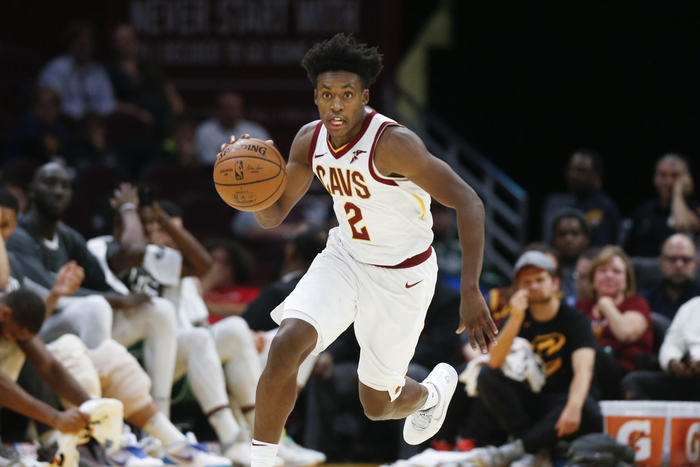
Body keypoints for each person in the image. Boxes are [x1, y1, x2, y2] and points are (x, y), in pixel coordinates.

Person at [220, 34, 495, 467]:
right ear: (315, 97)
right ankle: (263, 462)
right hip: (345, 258)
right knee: (286, 344)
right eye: (326, 94)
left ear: (364, 97)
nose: (336, 105)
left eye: (346, 94)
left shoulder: (394, 143)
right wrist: (248, 191)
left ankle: (431, 394)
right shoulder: (308, 141)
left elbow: (469, 202)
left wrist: (471, 289)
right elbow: (273, 216)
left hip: (402, 275)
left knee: (377, 404)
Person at [87, 192, 257, 464]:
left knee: (204, 335)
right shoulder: (99, 246)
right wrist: (129, 208)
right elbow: (129, 254)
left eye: (155, 225)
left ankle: (234, 438)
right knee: (160, 310)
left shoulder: (155, 256)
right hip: (107, 347)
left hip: (153, 353)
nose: (152, 230)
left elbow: (203, 264)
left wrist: (166, 221)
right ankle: (161, 434)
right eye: (146, 223)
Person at [470, 251, 602, 467]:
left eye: (540, 280)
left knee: (586, 405)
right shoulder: (516, 317)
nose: (533, 286)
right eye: (527, 282)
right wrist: (516, 317)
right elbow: (494, 362)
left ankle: (519, 449)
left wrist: (574, 407)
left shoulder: (575, 319)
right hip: (532, 403)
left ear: (555, 283)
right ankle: (534, 449)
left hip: (565, 401)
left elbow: (584, 369)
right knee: (486, 377)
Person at [0, 289, 91, 436]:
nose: (11, 339)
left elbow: (49, 367)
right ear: (4, 314)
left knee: (22, 348)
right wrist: (55, 418)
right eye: (13, 334)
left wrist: (90, 405)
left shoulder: (10, 318)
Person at [575, 246, 653, 400]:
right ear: (593, 279)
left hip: (623, 374)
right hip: (586, 372)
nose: (609, 276)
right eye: (602, 271)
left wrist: (606, 305)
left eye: (617, 272)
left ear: (627, 280)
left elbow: (626, 333)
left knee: (590, 350)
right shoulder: (582, 306)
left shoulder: (637, 304)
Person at [107, 24, 184, 136]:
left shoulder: (149, 67)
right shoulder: (110, 71)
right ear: (114, 44)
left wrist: (180, 117)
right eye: (122, 40)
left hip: (164, 121)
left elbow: (169, 91)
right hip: (133, 125)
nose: (127, 43)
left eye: (130, 39)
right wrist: (138, 113)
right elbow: (109, 103)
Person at [621, 296, 700, 402]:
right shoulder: (691, 307)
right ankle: (645, 413)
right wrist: (673, 362)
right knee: (634, 382)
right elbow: (671, 344)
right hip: (689, 376)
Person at [36, 21, 116, 120]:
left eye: (88, 44)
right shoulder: (55, 69)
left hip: (96, 122)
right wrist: (78, 118)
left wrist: (96, 118)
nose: (85, 49)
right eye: (82, 44)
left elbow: (108, 101)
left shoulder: (98, 70)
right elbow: (51, 103)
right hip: (65, 122)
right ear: (71, 44)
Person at [625, 154, 700, 257]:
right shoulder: (643, 212)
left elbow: (681, 225)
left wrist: (677, 193)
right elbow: (628, 253)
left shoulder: (695, 209)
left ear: (687, 179)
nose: (668, 181)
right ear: (655, 178)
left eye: (675, 175)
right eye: (663, 175)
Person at [541, 150, 620, 246]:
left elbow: (602, 248)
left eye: (581, 170)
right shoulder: (566, 207)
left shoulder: (604, 207)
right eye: (571, 169)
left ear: (596, 176)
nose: (573, 175)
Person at [195, 93, 271, 166]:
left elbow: (270, 157)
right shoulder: (204, 131)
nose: (230, 112)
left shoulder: (255, 131)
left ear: (241, 109)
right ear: (218, 109)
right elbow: (207, 161)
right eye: (226, 108)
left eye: (234, 108)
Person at [642, 233, 700, 320]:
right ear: (661, 262)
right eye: (672, 259)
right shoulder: (645, 301)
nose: (679, 265)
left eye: (686, 259)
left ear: (695, 264)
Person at [550, 208, 590, 307]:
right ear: (554, 239)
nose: (568, 239)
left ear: (586, 238)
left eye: (575, 233)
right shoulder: (547, 271)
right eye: (562, 234)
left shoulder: (597, 270)